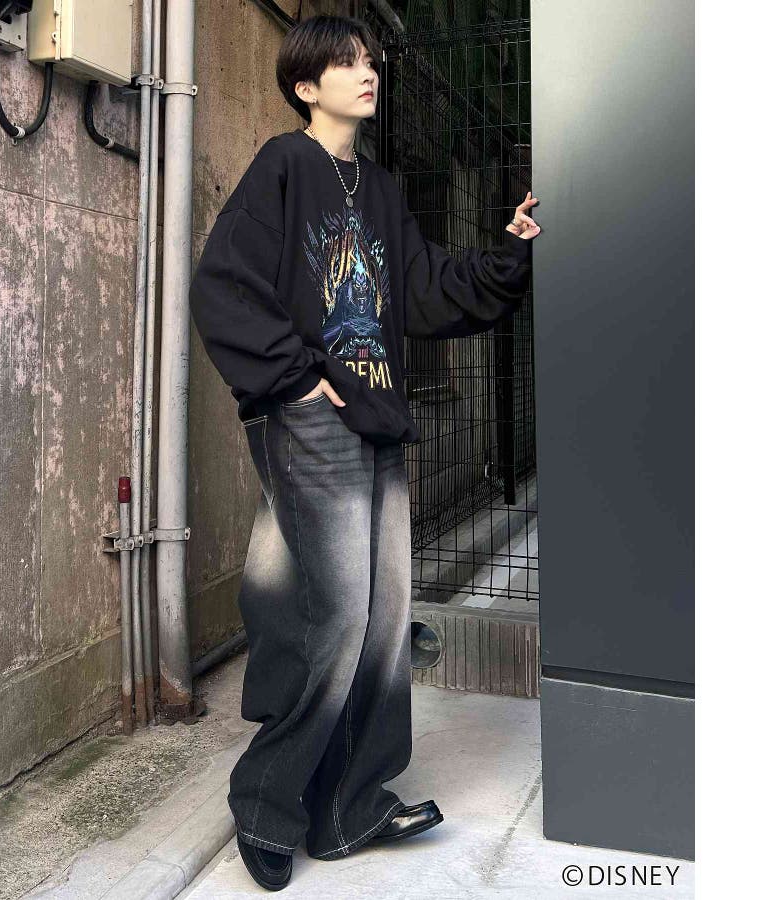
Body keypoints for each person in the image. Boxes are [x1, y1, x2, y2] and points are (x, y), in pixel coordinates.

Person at [189, 13, 539, 891]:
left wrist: (507, 255)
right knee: (336, 616)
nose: (367, 69)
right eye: (346, 62)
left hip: (376, 418)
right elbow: (222, 285)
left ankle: (349, 808)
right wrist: (299, 379)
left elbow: (423, 289)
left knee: (384, 620)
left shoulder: (379, 188)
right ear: (306, 86)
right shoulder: (283, 165)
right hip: (311, 419)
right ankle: (266, 802)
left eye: (368, 58)